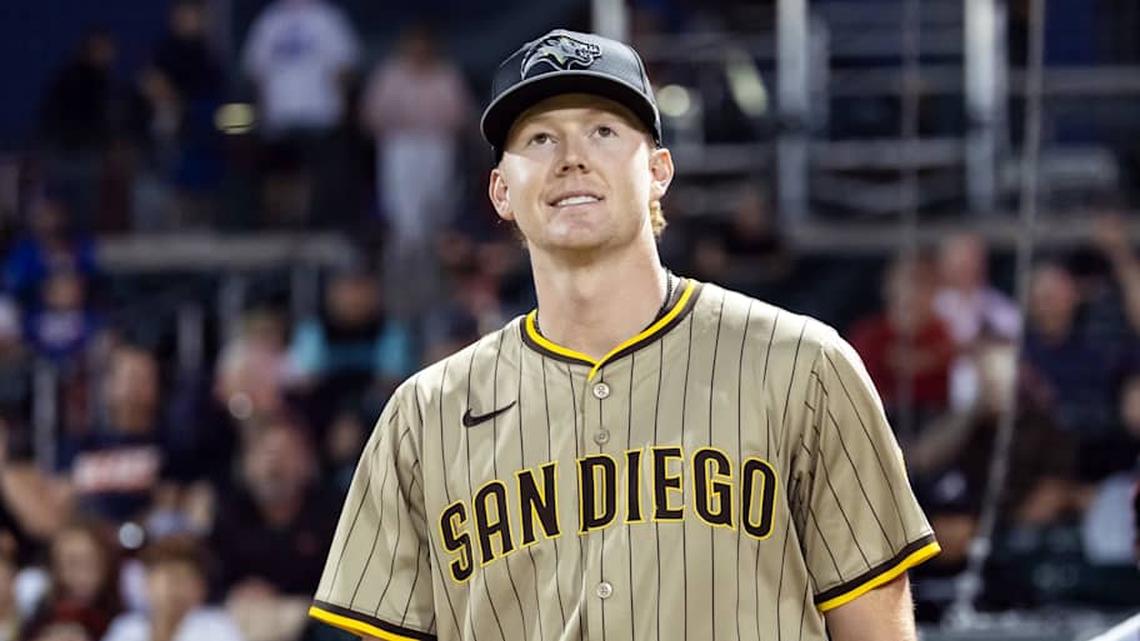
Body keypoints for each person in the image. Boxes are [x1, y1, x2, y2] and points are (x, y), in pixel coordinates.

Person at [308, 29, 939, 641]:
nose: (571, 157)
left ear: (660, 170)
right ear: (500, 191)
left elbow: (876, 622)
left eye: (603, 131)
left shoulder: (806, 366)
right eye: (539, 138)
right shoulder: (423, 415)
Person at [102, 535, 243, 641]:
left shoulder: (218, 628)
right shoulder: (125, 629)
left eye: (186, 580)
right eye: (170, 579)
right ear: (147, 584)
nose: (175, 590)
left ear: (202, 589)